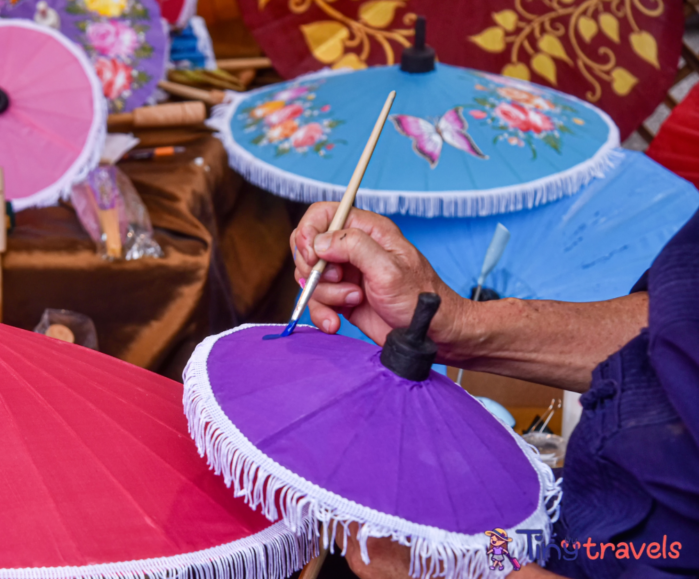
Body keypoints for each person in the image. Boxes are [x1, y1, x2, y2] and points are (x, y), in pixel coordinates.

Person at [290, 203, 699, 579]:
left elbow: (491, 556)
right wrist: (460, 326)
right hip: (551, 520)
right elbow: (676, 322)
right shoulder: (505, 517)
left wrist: (454, 564)